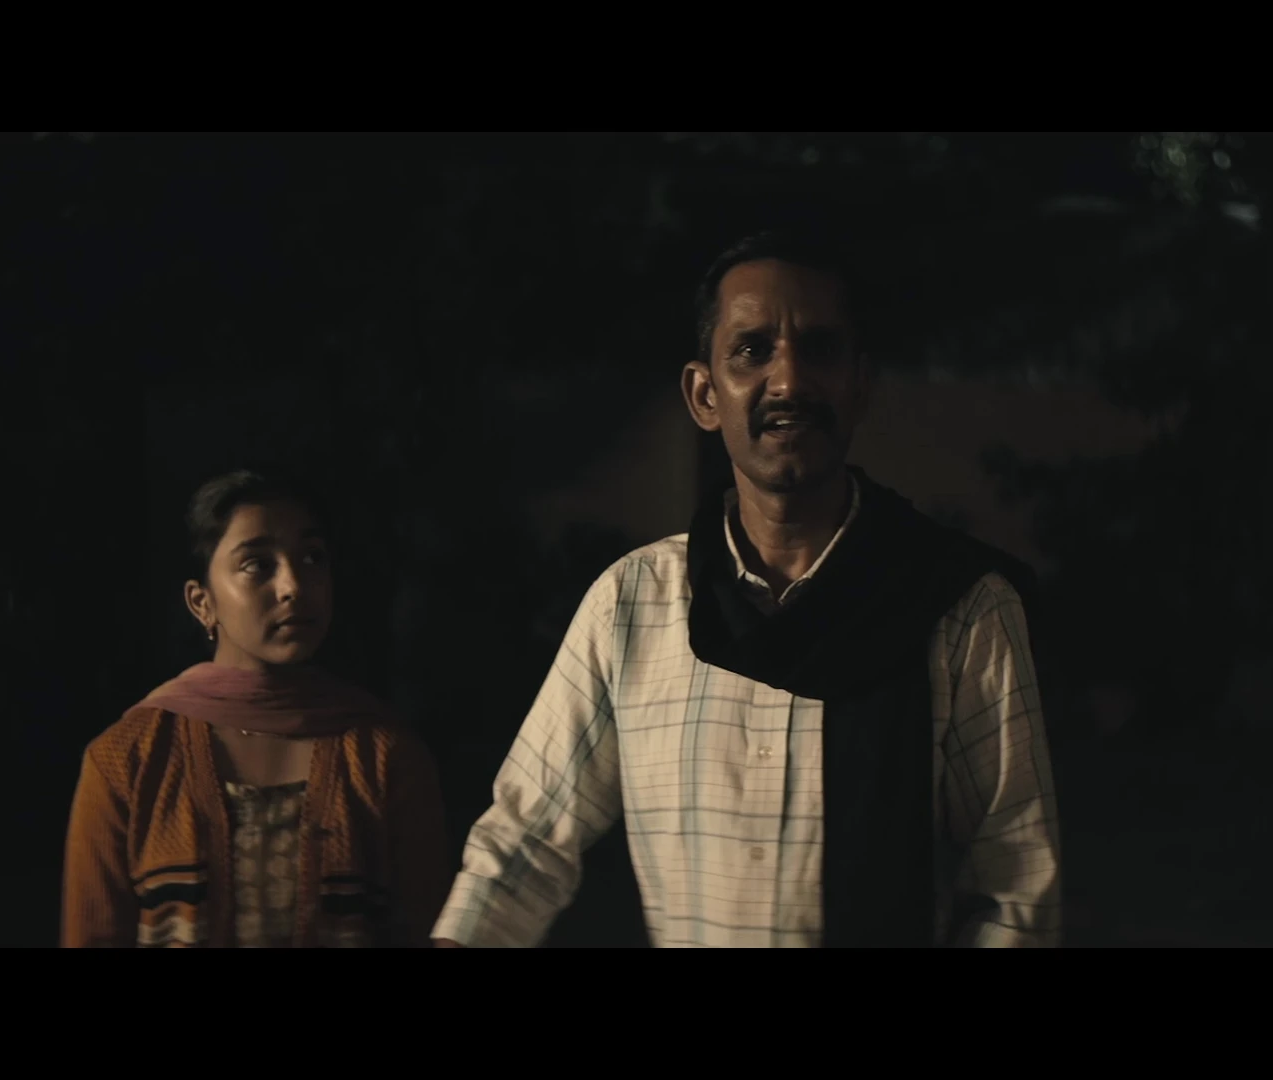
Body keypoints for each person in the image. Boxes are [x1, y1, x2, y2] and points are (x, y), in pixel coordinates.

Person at [433, 231, 1062, 948]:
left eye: (819, 348)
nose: (789, 381)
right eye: (753, 350)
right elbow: (524, 847)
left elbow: (1014, 890)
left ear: (860, 386)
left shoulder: (959, 607)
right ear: (705, 395)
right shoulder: (631, 606)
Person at [61, 467, 449, 947]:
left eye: (312, 557)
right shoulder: (127, 760)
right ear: (202, 603)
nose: (293, 586)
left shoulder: (387, 757)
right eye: (257, 565)